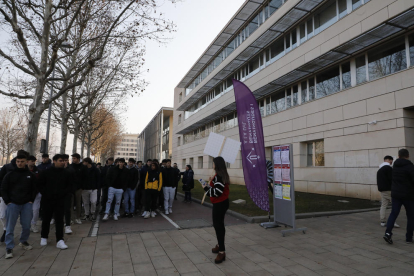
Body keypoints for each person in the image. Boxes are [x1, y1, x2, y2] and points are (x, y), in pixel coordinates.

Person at [1, 154, 37, 259]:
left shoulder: (31, 175)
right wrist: (8, 201)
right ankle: (9, 247)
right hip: (13, 204)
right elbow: (3, 188)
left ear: (26, 162)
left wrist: (31, 200)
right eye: (18, 161)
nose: (19, 163)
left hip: (26, 204)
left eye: (22, 161)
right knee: (10, 227)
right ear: (16, 162)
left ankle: (23, 241)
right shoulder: (9, 175)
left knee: (26, 225)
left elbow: (34, 189)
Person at [38, 154, 72, 249]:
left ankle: (60, 240)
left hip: (60, 200)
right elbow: (40, 185)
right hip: (47, 200)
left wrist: (64, 194)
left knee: (59, 220)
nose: (62, 162)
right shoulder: (45, 172)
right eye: (60, 161)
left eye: (64, 161)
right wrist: (46, 193)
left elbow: (70, 186)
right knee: (46, 219)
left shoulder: (67, 173)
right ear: (54, 161)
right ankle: (44, 237)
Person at [202, 156, 230, 264]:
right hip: (222, 203)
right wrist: (210, 184)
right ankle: (219, 245)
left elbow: (217, 192)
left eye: (213, 163)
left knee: (218, 226)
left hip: (220, 204)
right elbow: (218, 188)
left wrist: (205, 188)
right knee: (219, 225)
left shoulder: (219, 176)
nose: (212, 165)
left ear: (216, 164)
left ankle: (222, 251)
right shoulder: (221, 175)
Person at [384, 149, 414, 245]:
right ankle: (409, 238)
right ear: (408, 156)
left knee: (394, 213)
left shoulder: (395, 166)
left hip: (396, 194)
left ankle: (388, 233)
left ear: (399, 156)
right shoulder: (410, 166)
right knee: (411, 216)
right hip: (408, 195)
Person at [0, 149, 29, 242]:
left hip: (22, 199)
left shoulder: (27, 170)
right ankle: (6, 230)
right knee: (3, 216)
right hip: (6, 197)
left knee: (24, 221)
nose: (20, 163)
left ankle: (20, 238)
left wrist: (30, 198)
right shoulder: (7, 167)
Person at [377, 156, 400, 228]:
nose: (391, 162)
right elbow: (392, 180)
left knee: (383, 205)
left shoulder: (380, 169)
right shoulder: (389, 169)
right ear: (389, 160)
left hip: (382, 190)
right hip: (389, 190)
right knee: (395, 205)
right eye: (391, 161)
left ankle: (382, 221)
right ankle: (392, 221)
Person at [68, 153, 87, 224]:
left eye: (74, 158)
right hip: (71, 188)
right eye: (72, 158)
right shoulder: (70, 167)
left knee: (78, 203)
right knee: (71, 203)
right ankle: (71, 218)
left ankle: (78, 217)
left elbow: (85, 177)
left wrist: (82, 187)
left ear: (78, 159)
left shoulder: (83, 167)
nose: (73, 160)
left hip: (79, 188)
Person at [27, 156, 41, 233]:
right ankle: (27, 225)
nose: (33, 162)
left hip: (36, 194)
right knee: (27, 211)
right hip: (26, 195)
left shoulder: (38, 171)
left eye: (34, 161)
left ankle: (33, 224)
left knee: (35, 210)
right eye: (31, 161)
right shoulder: (23, 171)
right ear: (27, 161)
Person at [62, 154, 74, 234]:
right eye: (62, 161)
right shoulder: (54, 170)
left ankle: (68, 225)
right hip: (57, 194)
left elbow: (73, 181)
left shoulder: (70, 170)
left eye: (66, 160)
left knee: (67, 209)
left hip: (67, 193)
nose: (64, 162)